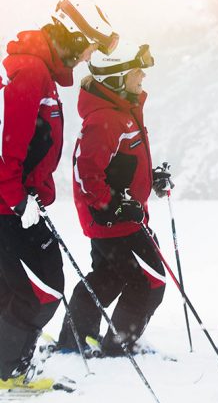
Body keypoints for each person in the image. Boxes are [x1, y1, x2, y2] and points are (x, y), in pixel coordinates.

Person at [0, 0, 118, 387]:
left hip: (19, 203)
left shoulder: (40, 72)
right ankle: (4, 372)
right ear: (71, 37)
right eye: (88, 46)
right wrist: (16, 199)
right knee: (41, 292)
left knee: (17, 290)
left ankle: (9, 368)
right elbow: (7, 143)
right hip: (10, 207)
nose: (88, 56)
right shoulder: (30, 72)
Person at [57, 42, 170, 357]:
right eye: (137, 73)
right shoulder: (104, 119)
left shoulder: (123, 112)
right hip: (113, 219)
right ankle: (117, 345)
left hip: (121, 216)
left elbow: (119, 164)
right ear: (118, 79)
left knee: (108, 278)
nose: (142, 78)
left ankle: (75, 340)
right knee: (150, 282)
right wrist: (114, 204)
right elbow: (87, 172)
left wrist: (150, 178)